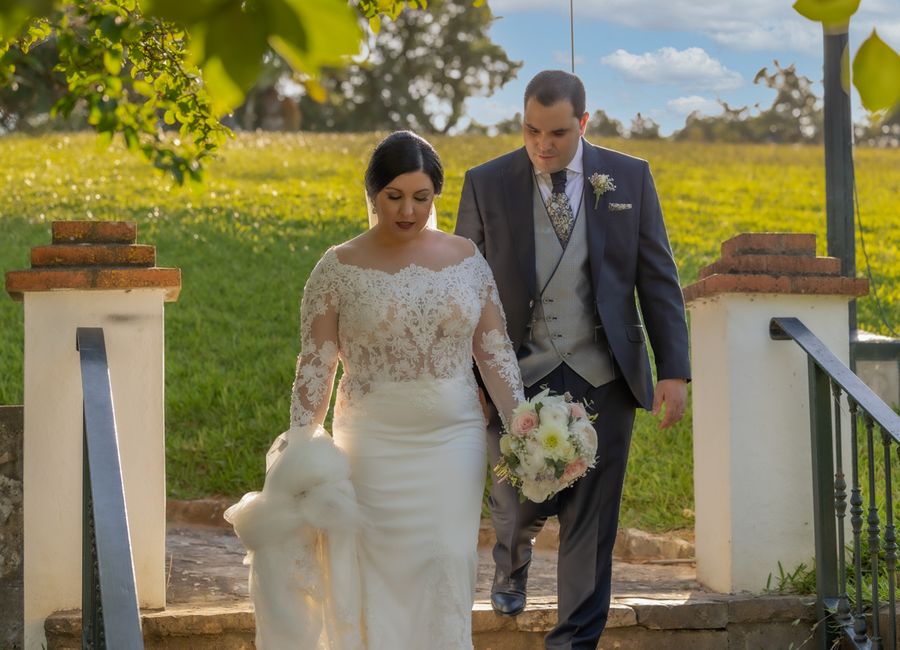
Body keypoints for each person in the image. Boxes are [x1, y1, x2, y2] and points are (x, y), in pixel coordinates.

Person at [226, 130, 525, 650]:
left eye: (421, 197)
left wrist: (522, 420)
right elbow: (315, 368)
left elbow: (494, 350)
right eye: (394, 197)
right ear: (372, 194)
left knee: (447, 559)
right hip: (372, 443)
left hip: (453, 439)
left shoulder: (466, 259)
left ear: (435, 196)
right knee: (374, 570)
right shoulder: (337, 267)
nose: (408, 210)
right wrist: (298, 450)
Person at [455, 70, 691, 649]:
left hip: (603, 372)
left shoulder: (629, 178)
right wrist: (473, 376)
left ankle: (573, 642)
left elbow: (656, 276)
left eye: (558, 132)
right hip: (517, 372)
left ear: (583, 123)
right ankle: (511, 558)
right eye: (532, 130)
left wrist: (675, 370)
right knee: (515, 502)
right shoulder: (486, 183)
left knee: (591, 520)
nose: (543, 144)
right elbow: (459, 290)